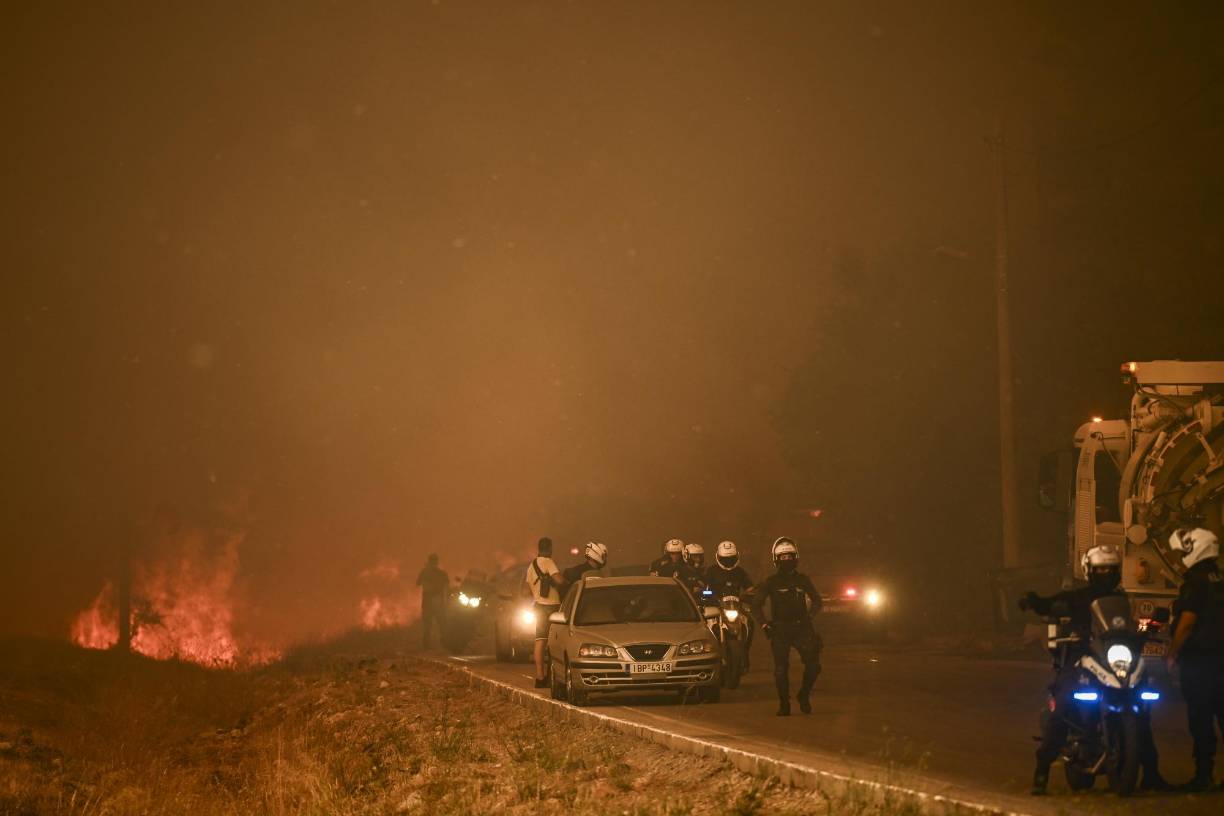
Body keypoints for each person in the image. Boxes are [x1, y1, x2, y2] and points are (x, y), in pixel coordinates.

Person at [1019, 544, 1169, 795]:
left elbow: (1135, 625)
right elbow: (1053, 604)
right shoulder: (1077, 597)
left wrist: (1151, 625)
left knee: (1142, 711)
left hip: (1116, 659)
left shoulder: (1124, 600)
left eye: (1109, 570)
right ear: (1089, 570)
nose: (1104, 574)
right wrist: (1036, 602)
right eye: (1099, 570)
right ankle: (1042, 770)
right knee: (1064, 704)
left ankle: (1152, 774)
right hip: (1083, 657)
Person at [1165, 528, 1224, 791]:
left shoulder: (1196, 582)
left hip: (1201, 661)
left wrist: (1173, 651)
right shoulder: (1220, 579)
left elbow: (1187, 623)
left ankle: (1203, 776)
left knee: (1200, 719)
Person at [753, 537, 822, 716]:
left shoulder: (803, 580)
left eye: (789, 557)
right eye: (782, 558)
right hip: (780, 629)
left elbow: (817, 601)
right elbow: (756, 605)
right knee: (781, 670)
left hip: (802, 628)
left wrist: (810, 617)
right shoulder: (771, 582)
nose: (786, 561)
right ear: (776, 560)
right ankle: (784, 704)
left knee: (814, 666)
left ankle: (804, 695)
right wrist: (764, 625)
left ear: (796, 558)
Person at [705, 540, 756, 655]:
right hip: (716, 606)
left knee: (750, 623)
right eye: (725, 559)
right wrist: (707, 595)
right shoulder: (711, 571)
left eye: (730, 559)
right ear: (718, 557)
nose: (728, 562)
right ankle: (708, 653)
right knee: (704, 625)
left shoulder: (740, 572)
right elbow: (705, 589)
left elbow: (750, 588)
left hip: (736, 606)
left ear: (736, 556)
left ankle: (745, 650)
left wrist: (749, 595)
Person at [526, 537, 563, 688]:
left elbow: (527, 588)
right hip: (552, 607)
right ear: (549, 548)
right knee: (555, 642)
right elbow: (559, 580)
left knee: (540, 641)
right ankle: (554, 676)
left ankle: (540, 677)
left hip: (539, 606)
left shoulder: (530, 567)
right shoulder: (548, 562)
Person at [415, 553, 449, 649]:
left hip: (428, 601)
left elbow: (418, 583)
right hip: (437, 601)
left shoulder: (425, 572)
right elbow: (447, 585)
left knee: (428, 625)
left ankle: (426, 645)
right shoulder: (441, 573)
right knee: (441, 624)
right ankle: (446, 644)